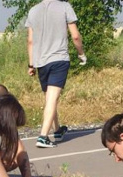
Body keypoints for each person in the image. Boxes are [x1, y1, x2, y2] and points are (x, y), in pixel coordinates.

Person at [25, 0, 87, 148]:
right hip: (59, 59)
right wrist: (81, 54)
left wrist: (31, 64)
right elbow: (75, 36)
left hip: (41, 62)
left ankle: (57, 130)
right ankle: (43, 137)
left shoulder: (33, 11)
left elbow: (30, 41)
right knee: (52, 99)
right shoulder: (65, 7)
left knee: (50, 99)